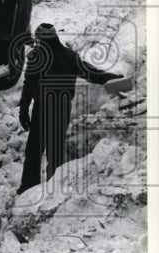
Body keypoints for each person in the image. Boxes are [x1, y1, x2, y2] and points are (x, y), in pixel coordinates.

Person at [17, 23, 122, 194]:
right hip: (51, 108)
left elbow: (91, 73)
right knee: (44, 150)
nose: (37, 45)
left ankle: (41, 188)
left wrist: (113, 79)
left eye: (39, 41)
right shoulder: (59, 56)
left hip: (51, 109)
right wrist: (23, 111)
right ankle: (38, 188)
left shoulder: (53, 57)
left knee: (45, 150)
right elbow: (91, 73)